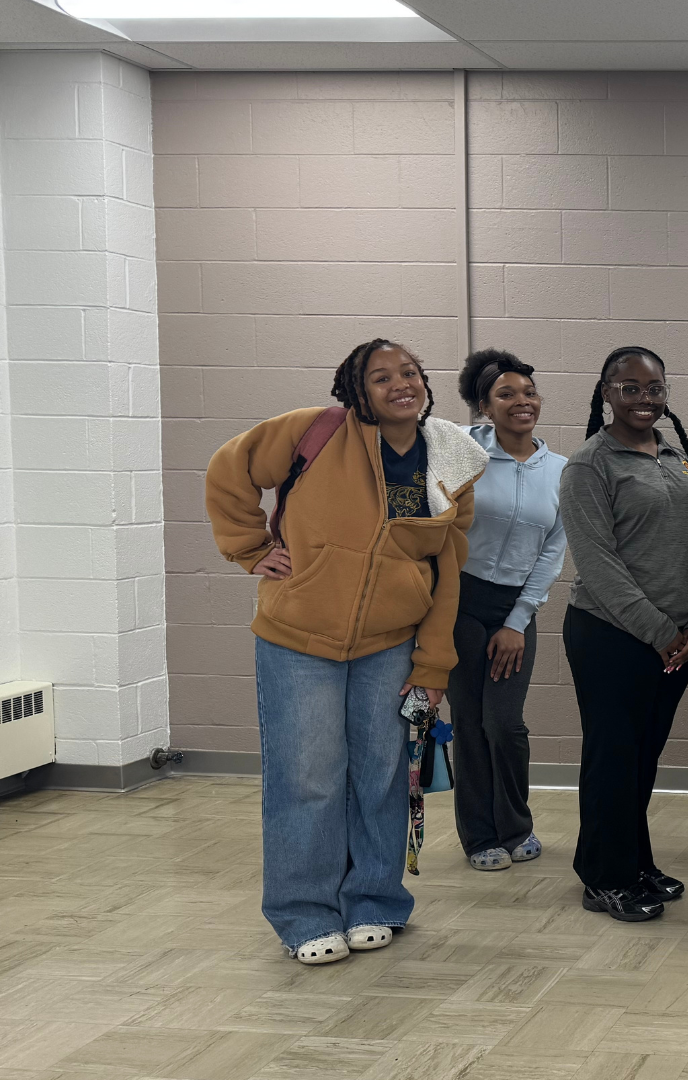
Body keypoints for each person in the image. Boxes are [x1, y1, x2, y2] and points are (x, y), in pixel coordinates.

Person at [205, 339, 487, 964]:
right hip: (297, 639)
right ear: (356, 389)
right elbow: (229, 469)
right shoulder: (314, 432)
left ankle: (375, 901)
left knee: (381, 776)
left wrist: (433, 663)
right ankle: (305, 914)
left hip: (391, 643)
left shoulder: (453, 456)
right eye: (380, 377)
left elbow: (448, 571)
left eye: (409, 372)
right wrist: (250, 548)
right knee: (307, 778)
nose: (399, 384)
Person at [559, 345, 688, 924]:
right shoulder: (589, 464)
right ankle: (604, 878)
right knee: (613, 759)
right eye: (630, 388)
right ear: (606, 393)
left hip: (675, 639)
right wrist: (660, 631)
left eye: (655, 388)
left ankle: (635, 862)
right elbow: (598, 564)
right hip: (611, 635)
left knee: (642, 757)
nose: (644, 399)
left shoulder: (676, 456)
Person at [448, 348, 566, 872]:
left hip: (516, 606)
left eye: (529, 392)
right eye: (506, 394)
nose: (523, 401)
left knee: (505, 724)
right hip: (458, 601)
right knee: (470, 722)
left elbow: (552, 553)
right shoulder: (464, 452)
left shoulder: (561, 470)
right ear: (484, 407)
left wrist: (517, 621)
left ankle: (516, 826)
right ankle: (479, 837)